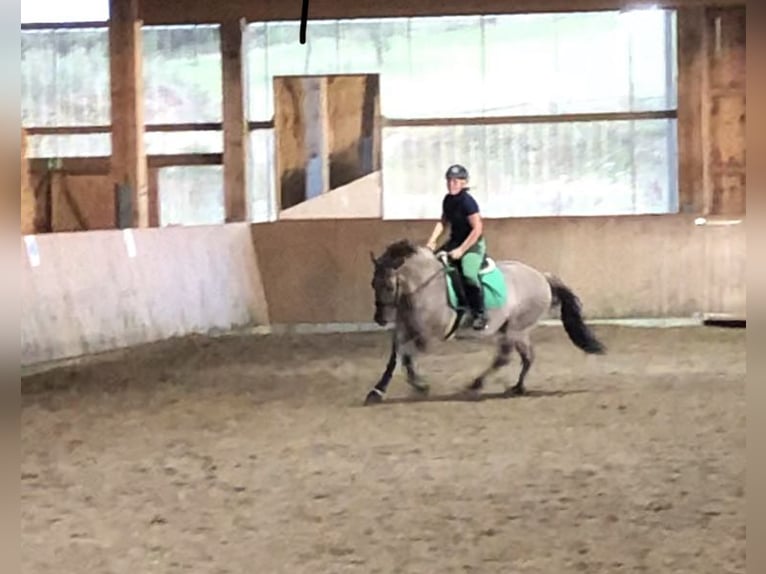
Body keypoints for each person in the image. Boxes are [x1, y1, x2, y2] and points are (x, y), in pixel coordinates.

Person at [426, 164, 488, 330]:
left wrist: (462, 250)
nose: (451, 184)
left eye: (455, 181)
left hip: (472, 243)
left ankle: (479, 313)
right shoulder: (448, 200)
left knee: (468, 273)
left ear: (464, 183)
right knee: (433, 265)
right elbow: (443, 221)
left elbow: (477, 228)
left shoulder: (468, 202)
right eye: (449, 181)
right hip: (454, 241)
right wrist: (432, 241)